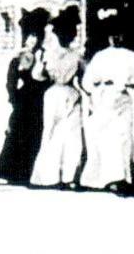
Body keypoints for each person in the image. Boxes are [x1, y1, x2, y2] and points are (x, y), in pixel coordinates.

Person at [79, 15, 134, 192]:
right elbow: (87, 81)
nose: (116, 38)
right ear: (108, 37)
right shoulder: (100, 56)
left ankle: (121, 177)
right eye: (113, 34)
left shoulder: (129, 56)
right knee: (103, 138)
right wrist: (96, 89)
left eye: (119, 34)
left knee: (122, 137)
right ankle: (102, 177)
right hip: (103, 100)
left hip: (122, 100)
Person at [29, 17, 85, 188]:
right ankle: (50, 176)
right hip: (56, 94)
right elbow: (37, 75)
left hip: (67, 94)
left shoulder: (75, 55)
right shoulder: (51, 54)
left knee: (71, 135)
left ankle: (67, 175)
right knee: (52, 133)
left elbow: (84, 77)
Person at [0, 34, 48, 184]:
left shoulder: (43, 56)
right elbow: (11, 80)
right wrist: (13, 97)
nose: (33, 43)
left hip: (39, 98)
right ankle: (13, 172)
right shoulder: (19, 58)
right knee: (18, 133)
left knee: (36, 133)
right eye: (31, 40)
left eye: (36, 40)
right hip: (23, 99)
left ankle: (31, 171)